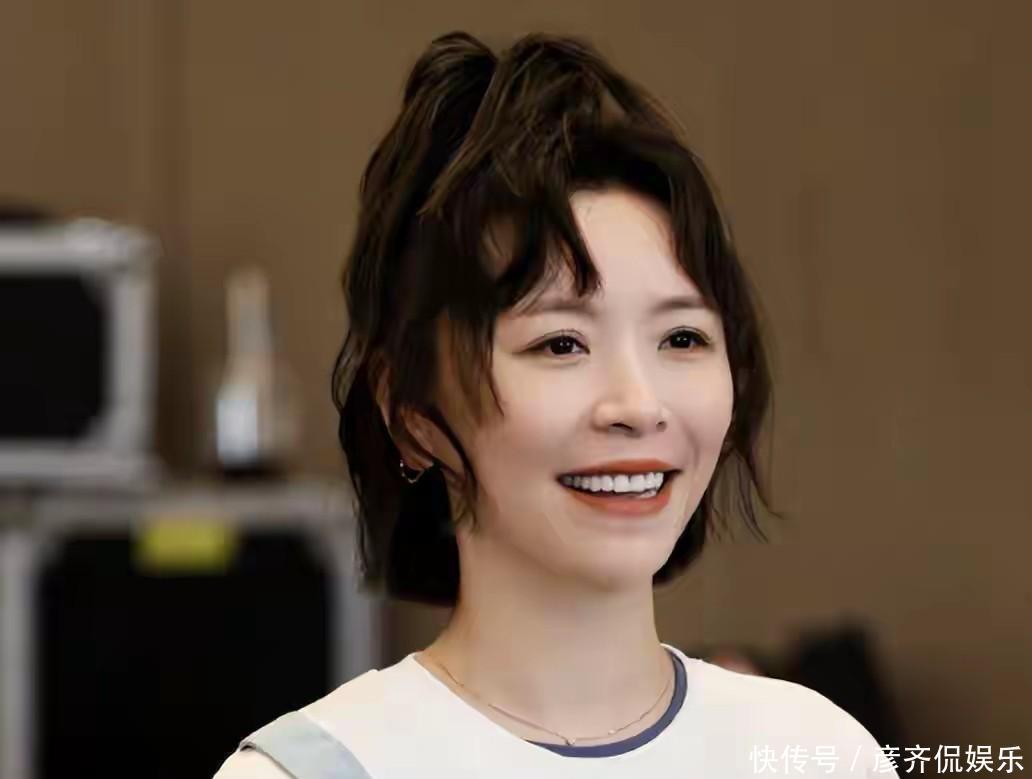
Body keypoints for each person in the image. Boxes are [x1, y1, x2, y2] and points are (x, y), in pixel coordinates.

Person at [214, 31, 898, 779]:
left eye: (682, 337)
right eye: (561, 344)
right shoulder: (314, 771)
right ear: (410, 412)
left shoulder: (820, 753)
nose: (639, 405)